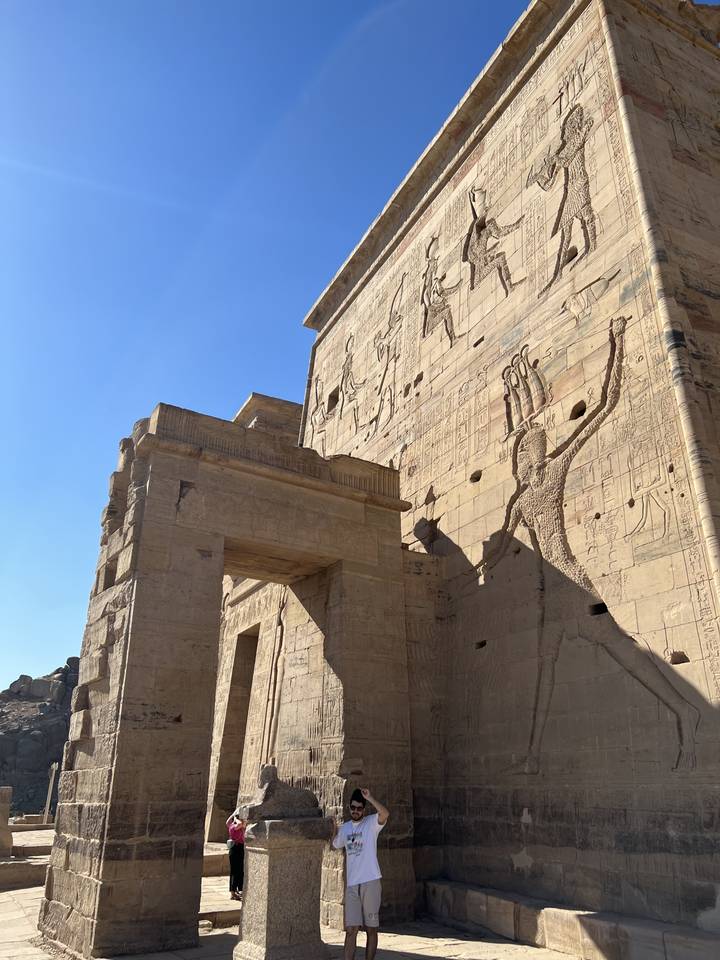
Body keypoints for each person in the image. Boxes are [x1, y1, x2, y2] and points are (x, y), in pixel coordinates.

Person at [475, 316, 699, 773]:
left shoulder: (553, 473)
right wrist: (471, 573)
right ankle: (534, 756)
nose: (531, 454)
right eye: (527, 451)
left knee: (624, 654)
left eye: (533, 448)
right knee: (546, 672)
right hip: (551, 597)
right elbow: (499, 550)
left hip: (575, 586)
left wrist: (616, 344)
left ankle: (685, 711)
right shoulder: (521, 499)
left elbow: (600, 408)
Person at [332, 787, 389, 960]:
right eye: (353, 808)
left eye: (359, 808)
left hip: (370, 881)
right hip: (352, 885)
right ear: (349, 808)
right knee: (351, 930)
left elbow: (385, 813)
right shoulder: (345, 828)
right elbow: (335, 844)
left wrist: (370, 797)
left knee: (371, 929)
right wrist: (333, 827)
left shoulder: (372, 823)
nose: (355, 811)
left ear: (363, 809)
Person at [226, 809, 246, 901]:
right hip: (236, 848)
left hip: (239, 848)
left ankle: (238, 889)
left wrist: (233, 815)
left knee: (240, 870)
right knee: (235, 871)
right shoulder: (233, 826)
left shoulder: (232, 825)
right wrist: (235, 817)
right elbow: (239, 824)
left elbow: (227, 821)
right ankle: (232, 892)